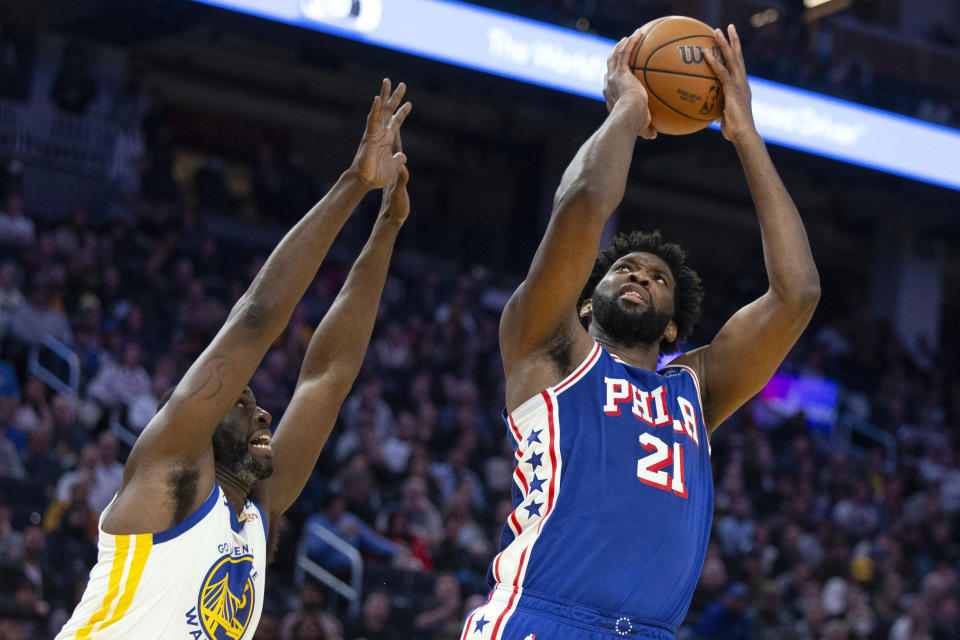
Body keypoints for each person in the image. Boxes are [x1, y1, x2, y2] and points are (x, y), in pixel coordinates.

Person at [461, 26, 819, 640]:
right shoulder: (547, 348)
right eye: (623, 268)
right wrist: (629, 107)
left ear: (674, 325)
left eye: (657, 277)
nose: (637, 274)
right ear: (582, 306)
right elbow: (582, 205)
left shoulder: (695, 389)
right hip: (540, 615)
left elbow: (797, 294)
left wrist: (746, 136)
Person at [54, 78, 413, 640]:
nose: (264, 413)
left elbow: (327, 377)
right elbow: (256, 318)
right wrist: (354, 185)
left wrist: (386, 231)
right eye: (244, 402)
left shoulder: (255, 515)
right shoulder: (168, 471)